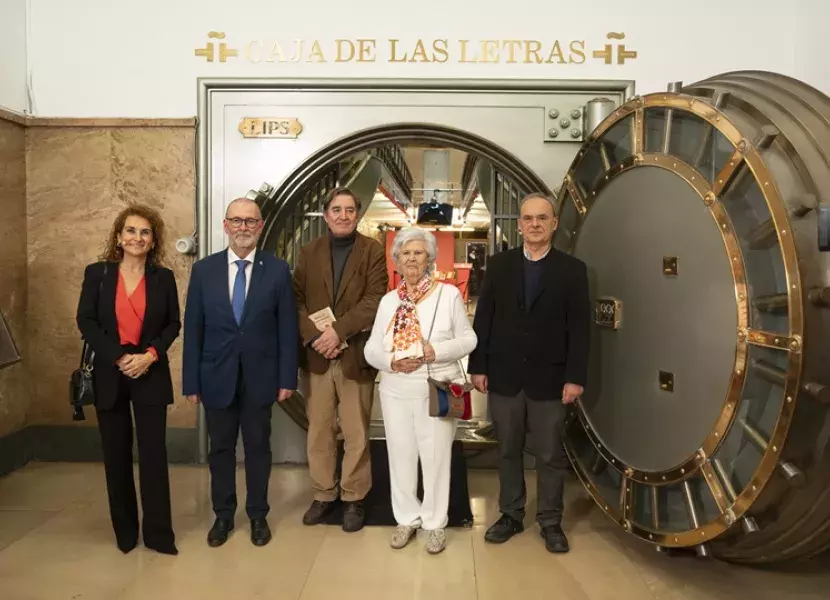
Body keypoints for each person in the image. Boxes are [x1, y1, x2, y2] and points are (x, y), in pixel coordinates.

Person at [468, 192, 590, 554]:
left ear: (553, 223)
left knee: (550, 454)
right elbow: (484, 318)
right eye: (528, 218)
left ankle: (551, 521)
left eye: (542, 218)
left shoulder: (572, 270)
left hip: (550, 379)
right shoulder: (499, 265)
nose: (534, 224)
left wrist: (575, 376)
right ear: (519, 225)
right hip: (504, 376)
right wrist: (478, 366)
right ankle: (511, 514)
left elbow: (580, 329)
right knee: (507, 450)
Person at [182, 197, 298, 548]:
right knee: (220, 449)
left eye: (251, 221)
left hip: (261, 377)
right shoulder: (204, 270)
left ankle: (258, 515)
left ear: (261, 227)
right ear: (225, 225)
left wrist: (286, 378)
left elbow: (287, 329)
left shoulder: (277, 270)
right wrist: (191, 381)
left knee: (258, 448)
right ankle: (223, 515)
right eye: (237, 221)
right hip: (215, 376)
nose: (244, 227)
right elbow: (194, 329)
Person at [364, 227, 477, 554]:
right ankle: (406, 518)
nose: (411, 258)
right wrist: (388, 362)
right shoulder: (388, 301)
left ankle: (434, 523)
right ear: (396, 260)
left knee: (436, 457)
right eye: (405, 253)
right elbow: (371, 348)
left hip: (436, 387)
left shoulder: (448, 295)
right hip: (395, 388)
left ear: (430, 258)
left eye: (418, 252)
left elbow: (469, 340)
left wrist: (435, 351)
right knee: (400, 455)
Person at [76, 204, 180, 556]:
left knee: (153, 456)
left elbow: (172, 325)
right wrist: (119, 357)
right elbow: (86, 321)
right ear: (119, 237)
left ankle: (158, 535)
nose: (138, 237)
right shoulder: (98, 274)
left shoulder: (163, 278)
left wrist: (149, 355)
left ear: (153, 241)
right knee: (116, 455)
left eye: (145, 232)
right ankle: (125, 533)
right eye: (131, 231)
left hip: (150, 371)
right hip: (111, 373)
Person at [292, 187, 388, 532]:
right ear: (326, 214)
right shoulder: (309, 251)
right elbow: (296, 299)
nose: (343, 215)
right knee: (319, 430)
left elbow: (376, 298)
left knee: (356, 430)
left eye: (350, 209)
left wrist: (338, 332)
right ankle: (323, 493)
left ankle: (353, 497)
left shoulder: (373, 251)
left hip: (354, 355)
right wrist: (317, 336)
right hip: (317, 355)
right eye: (337, 209)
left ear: (357, 214)